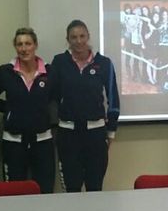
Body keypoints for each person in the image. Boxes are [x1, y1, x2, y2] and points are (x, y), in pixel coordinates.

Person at [50, 20, 120, 192]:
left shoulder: (104, 63)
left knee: (95, 187)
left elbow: (113, 99)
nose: (78, 41)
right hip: (68, 134)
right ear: (68, 39)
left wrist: (110, 131)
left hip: (95, 134)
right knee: (72, 188)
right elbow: (52, 96)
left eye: (82, 36)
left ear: (88, 36)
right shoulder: (59, 62)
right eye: (73, 37)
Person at [0, 28, 55, 193]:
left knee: (45, 192)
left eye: (28, 44)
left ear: (35, 45)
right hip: (13, 142)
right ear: (15, 47)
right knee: (14, 194)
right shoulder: (5, 72)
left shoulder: (50, 72)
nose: (24, 49)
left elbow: (56, 99)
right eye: (20, 44)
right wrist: (10, 110)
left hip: (43, 142)